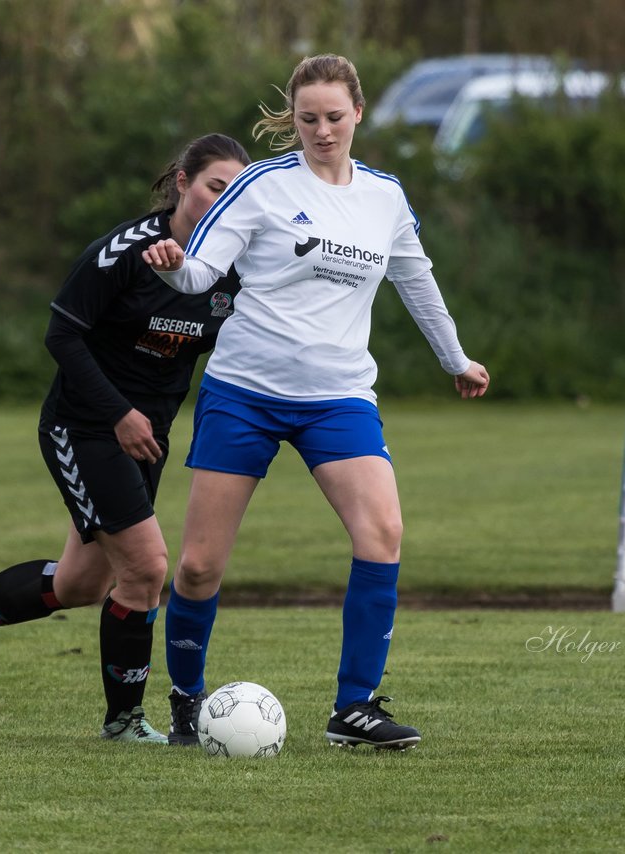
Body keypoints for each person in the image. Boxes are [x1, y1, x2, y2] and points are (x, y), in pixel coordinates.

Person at [142, 55, 490, 751]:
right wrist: (177, 267)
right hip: (244, 392)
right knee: (200, 566)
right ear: (293, 121)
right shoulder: (261, 186)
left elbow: (417, 282)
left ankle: (354, 709)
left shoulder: (384, 198)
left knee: (382, 533)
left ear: (358, 112)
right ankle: (186, 699)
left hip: (338, 397)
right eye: (308, 120)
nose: (322, 131)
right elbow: (204, 270)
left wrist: (456, 358)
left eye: (334, 117)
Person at [0, 133, 251, 743]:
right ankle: (124, 722)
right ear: (183, 183)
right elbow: (61, 336)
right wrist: (119, 414)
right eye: (215, 185)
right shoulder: (123, 253)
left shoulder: (232, 267)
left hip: (147, 434)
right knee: (145, 568)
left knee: (80, 585)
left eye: (235, 192)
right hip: (85, 424)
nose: (223, 201)